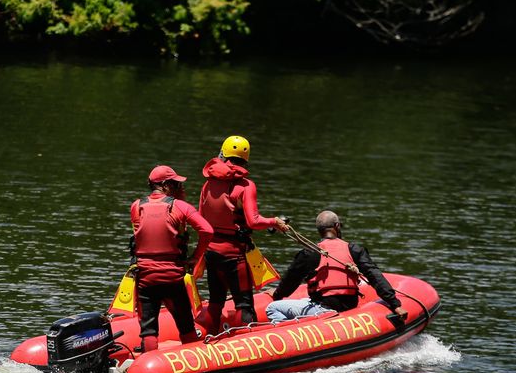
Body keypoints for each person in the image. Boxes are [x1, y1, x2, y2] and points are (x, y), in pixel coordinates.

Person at [197, 135, 289, 333]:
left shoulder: (207, 184)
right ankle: (248, 340)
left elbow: (201, 220)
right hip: (234, 255)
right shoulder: (246, 186)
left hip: (212, 252)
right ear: (246, 158)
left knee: (215, 301)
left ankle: (208, 342)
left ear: (223, 154)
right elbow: (253, 221)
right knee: (244, 303)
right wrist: (275, 221)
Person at [265, 210, 408, 322]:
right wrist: (395, 305)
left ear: (319, 230)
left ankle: (294, 337)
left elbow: (291, 280)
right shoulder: (355, 250)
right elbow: (375, 276)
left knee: (273, 308)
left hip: (323, 309)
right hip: (349, 307)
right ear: (337, 226)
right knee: (303, 301)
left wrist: (278, 294)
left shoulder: (311, 253)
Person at [130, 165, 214, 352]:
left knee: (149, 330)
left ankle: (148, 367)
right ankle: (193, 365)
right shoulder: (180, 206)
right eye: (177, 184)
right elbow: (207, 230)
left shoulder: (136, 206)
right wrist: (195, 257)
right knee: (185, 326)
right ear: (166, 185)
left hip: (145, 278)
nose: (180, 188)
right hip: (173, 277)